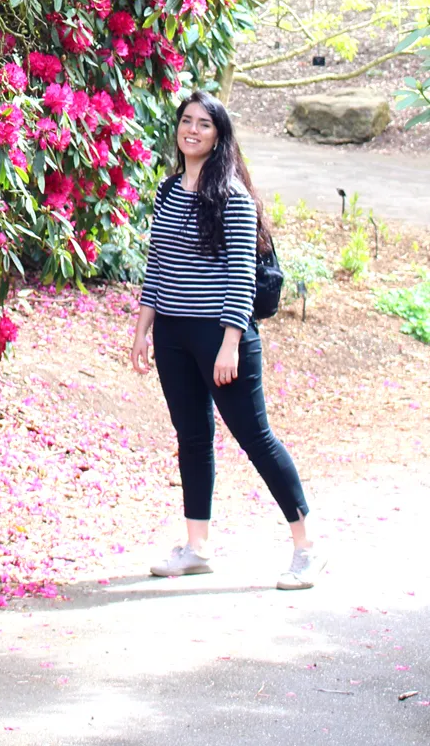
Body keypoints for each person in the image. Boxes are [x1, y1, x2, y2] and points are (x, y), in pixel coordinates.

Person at [130, 89, 323, 590]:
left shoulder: (233, 195)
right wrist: (142, 330)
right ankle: (197, 548)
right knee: (192, 437)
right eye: (186, 121)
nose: (191, 130)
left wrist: (231, 343)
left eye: (204, 125)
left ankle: (307, 549)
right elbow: (159, 265)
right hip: (172, 332)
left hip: (221, 334)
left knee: (255, 437)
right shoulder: (169, 189)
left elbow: (240, 274)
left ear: (219, 137)